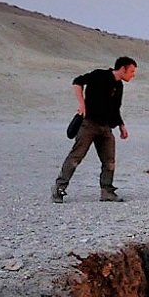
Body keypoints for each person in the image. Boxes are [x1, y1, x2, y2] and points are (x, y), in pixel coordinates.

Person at [52, 56, 136, 203]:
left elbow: (115, 109)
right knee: (75, 158)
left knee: (109, 161)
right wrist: (81, 104)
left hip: (105, 128)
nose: (133, 75)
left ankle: (107, 191)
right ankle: (59, 188)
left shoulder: (119, 86)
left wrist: (122, 126)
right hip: (89, 124)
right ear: (122, 69)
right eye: (131, 71)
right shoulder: (100, 75)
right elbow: (77, 82)